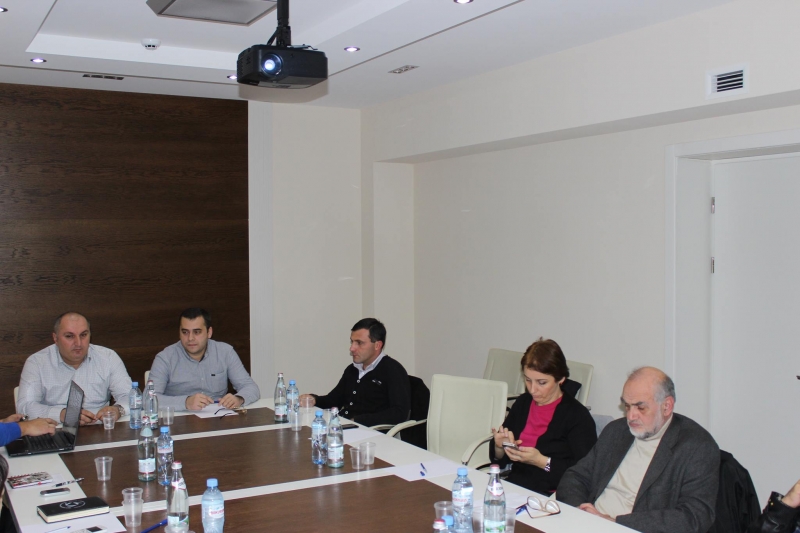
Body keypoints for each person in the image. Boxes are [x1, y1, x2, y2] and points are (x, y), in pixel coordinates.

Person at [557, 367, 720, 533]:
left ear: (666, 406)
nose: (630, 416)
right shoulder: (616, 431)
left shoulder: (697, 447)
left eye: (640, 407)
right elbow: (575, 476)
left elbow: (694, 516)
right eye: (627, 406)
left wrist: (614, 523)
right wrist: (582, 511)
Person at [490, 338, 596, 494]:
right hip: (515, 487)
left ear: (561, 379)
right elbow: (500, 459)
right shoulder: (523, 403)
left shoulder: (577, 416)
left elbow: (585, 474)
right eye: (528, 380)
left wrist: (541, 461)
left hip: (551, 495)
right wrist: (500, 447)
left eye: (542, 383)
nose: (532, 389)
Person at [18, 312, 132, 425]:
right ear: (56, 338)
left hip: (100, 426)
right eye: (69, 336)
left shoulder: (108, 357)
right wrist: (62, 414)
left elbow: (130, 396)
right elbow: (25, 407)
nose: (78, 343)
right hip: (55, 428)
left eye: (83, 335)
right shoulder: (37, 363)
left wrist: (118, 409)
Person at [299, 318, 410, 427]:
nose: (352, 348)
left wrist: (357, 420)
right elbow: (334, 400)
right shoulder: (352, 370)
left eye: (359, 343)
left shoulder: (393, 370)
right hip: (345, 426)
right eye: (352, 342)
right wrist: (314, 399)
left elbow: (399, 413)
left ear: (377, 345)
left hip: (369, 432)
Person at [150, 308, 260, 410]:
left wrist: (239, 399)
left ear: (209, 332)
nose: (190, 338)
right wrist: (186, 402)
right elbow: (149, 399)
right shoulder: (165, 358)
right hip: (180, 419)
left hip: (218, 417)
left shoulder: (225, 352)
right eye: (185, 332)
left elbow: (251, 387)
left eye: (197, 332)